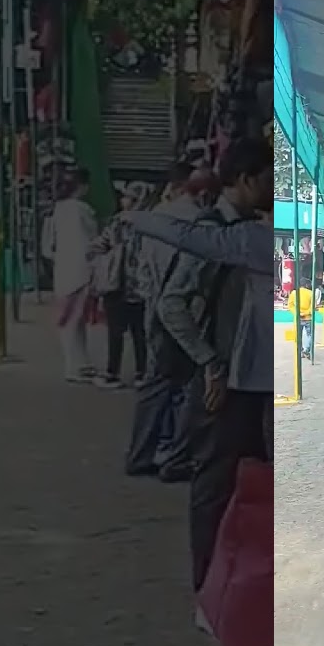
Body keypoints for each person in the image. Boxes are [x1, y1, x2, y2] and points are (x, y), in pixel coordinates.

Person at [147, 138, 269, 592]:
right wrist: (209, 361)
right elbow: (171, 304)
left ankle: (232, 587)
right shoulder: (214, 232)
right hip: (220, 382)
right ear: (246, 180)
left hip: (245, 380)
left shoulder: (247, 229)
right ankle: (207, 588)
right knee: (215, 487)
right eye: (267, 181)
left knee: (245, 485)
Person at [122, 162, 205, 479]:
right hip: (184, 312)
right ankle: (173, 457)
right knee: (189, 386)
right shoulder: (198, 221)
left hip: (154, 308)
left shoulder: (156, 216)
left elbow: (141, 269)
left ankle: (142, 453)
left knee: (156, 384)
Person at [42, 168, 99, 382]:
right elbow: (92, 241)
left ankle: (79, 363)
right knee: (76, 320)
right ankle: (75, 367)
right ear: (82, 186)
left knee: (70, 320)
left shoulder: (57, 210)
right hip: (82, 270)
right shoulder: (83, 210)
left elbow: (48, 248)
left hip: (64, 271)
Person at [89, 192, 148, 389]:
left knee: (115, 333)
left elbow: (97, 246)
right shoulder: (151, 224)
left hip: (117, 286)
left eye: (129, 197)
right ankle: (142, 373)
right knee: (140, 333)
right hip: (141, 289)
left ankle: (112, 373)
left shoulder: (117, 223)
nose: (124, 200)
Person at [288, 278, 315, 359]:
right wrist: (306, 313)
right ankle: (307, 350)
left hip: (298, 318)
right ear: (306, 285)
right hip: (308, 318)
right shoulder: (310, 293)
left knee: (298, 335)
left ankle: (301, 350)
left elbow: (290, 305)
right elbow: (313, 306)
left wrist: (298, 313)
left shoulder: (294, 293)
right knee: (310, 335)